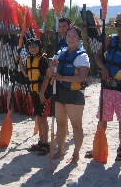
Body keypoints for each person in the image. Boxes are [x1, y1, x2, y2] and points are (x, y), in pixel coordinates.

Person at [87, 13, 121, 161]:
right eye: (118, 25)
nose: (120, 27)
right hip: (107, 88)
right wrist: (104, 68)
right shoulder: (110, 39)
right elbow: (97, 57)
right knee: (102, 118)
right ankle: (98, 144)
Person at [43, 26, 90, 163]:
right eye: (68, 36)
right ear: (65, 38)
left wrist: (62, 78)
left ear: (79, 39)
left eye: (74, 36)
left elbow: (82, 77)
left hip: (74, 95)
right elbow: (48, 74)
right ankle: (61, 150)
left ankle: (76, 153)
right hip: (59, 93)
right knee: (61, 124)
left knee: (76, 125)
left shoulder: (82, 56)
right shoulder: (59, 53)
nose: (71, 38)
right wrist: (51, 67)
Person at [17, 37, 52, 156]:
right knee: (38, 117)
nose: (33, 48)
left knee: (43, 118)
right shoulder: (29, 60)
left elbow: (46, 77)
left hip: (43, 92)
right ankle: (41, 141)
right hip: (34, 92)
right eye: (30, 46)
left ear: (40, 47)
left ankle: (45, 143)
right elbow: (26, 74)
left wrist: (42, 93)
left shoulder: (43, 60)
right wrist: (20, 62)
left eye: (35, 46)